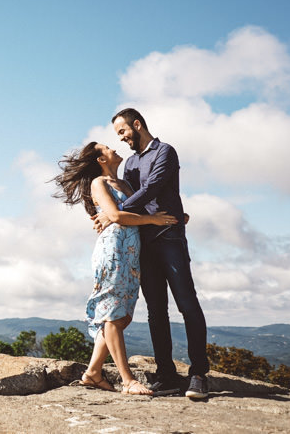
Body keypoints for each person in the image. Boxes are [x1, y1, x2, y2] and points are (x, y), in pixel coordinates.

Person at [96, 108, 210, 400]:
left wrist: (115, 215)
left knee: (187, 303)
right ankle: (167, 374)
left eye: (122, 132)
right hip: (144, 242)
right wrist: (114, 214)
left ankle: (198, 374)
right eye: (117, 136)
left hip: (169, 236)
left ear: (137, 125)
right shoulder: (130, 162)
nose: (121, 139)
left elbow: (152, 188)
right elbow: (130, 197)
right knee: (156, 312)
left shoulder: (165, 152)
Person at [55, 141, 179, 395]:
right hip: (113, 251)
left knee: (121, 316)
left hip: (131, 253)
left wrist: (174, 215)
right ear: (101, 160)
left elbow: (134, 212)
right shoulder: (98, 183)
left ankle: (92, 373)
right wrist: (153, 220)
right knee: (113, 313)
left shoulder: (126, 185)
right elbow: (117, 215)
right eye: (107, 148)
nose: (113, 149)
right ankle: (127, 380)